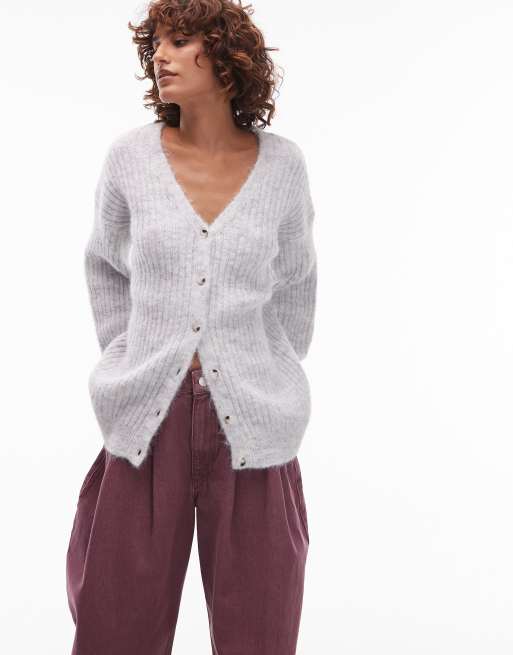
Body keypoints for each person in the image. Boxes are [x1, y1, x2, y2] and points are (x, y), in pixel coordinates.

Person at [66, 1, 317, 653]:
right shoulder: (130, 158)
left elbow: (295, 285)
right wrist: (131, 356)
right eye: (156, 43)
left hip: (255, 426)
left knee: (259, 633)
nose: (161, 55)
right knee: (115, 626)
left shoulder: (283, 168)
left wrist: (263, 369)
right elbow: (104, 266)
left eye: (180, 41)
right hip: (146, 420)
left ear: (228, 56)